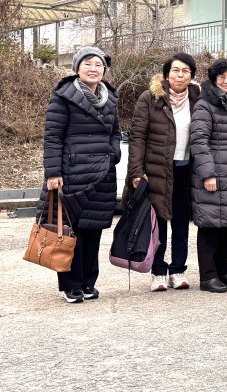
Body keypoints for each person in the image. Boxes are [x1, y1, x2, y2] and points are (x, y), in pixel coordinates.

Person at [38, 46, 120, 303]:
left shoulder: (110, 98)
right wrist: (53, 172)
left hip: (102, 174)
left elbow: (115, 133)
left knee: (93, 232)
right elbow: (53, 137)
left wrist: (113, 154)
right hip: (72, 174)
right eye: (88, 64)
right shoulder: (63, 97)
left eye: (98, 65)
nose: (93, 69)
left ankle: (88, 282)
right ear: (77, 68)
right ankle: (71, 285)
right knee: (70, 233)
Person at [127, 52, 199, 292]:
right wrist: (136, 171)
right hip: (156, 170)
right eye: (176, 70)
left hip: (185, 169)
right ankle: (158, 272)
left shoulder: (197, 98)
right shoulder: (150, 98)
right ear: (167, 73)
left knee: (181, 222)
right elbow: (137, 137)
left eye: (185, 71)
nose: (180, 75)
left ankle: (178, 270)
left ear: (191, 76)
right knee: (157, 223)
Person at [190, 58, 227, 293]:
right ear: (214, 80)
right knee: (210, 228)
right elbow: (199, 140)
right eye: (222, 77)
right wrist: (208, 174)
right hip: (214, 176)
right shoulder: (205, 105)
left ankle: (223, 271)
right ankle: (208, 276)